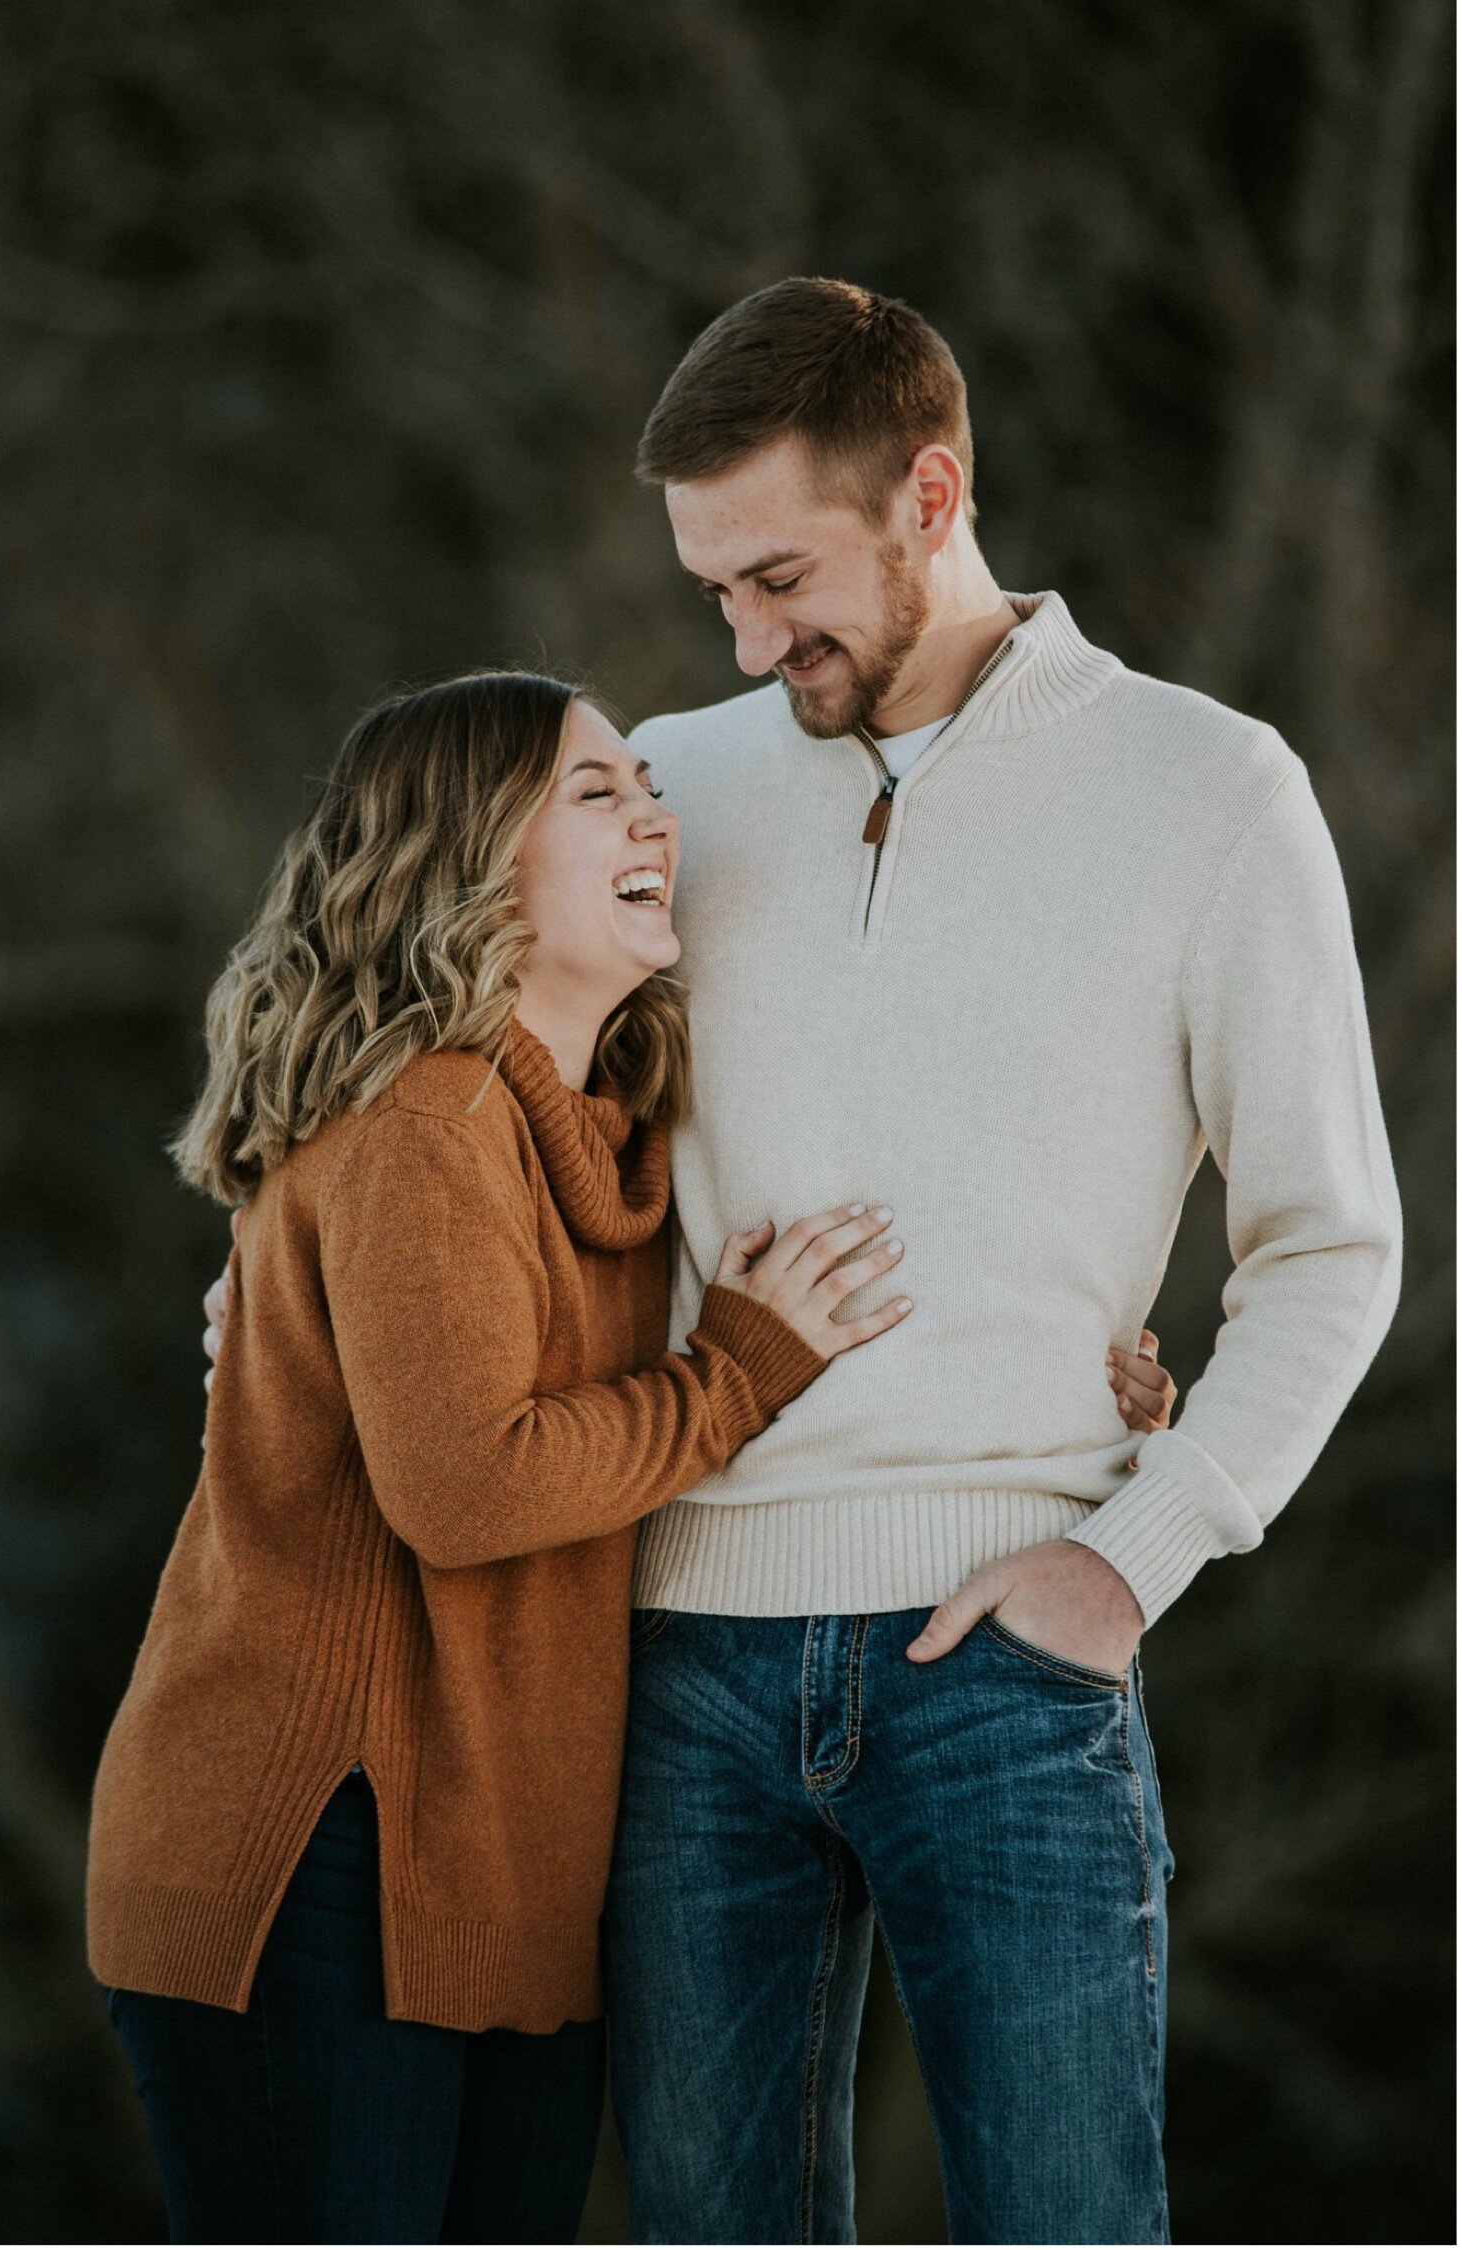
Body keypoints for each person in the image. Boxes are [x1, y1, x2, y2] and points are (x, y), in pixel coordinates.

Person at [593, 278, 1403, 2246]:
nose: (750, 637)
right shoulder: (660, 791)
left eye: (781, 575)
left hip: (1010, 1656)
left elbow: (1330, 1244)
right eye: (716, 593)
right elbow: (506, 1143)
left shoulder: (1210, 791)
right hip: (678, 1662)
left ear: (930, 492)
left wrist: (1139, 1553)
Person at [86, 669, 926, 2246]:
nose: (655, 815)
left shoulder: (605, 1136)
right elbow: (467, 1486)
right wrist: (732, 1375)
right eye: (596, 790)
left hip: (495, 1877)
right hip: (311, 1874)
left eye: (648, 787)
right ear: (468, 859)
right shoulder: (429, 1120)